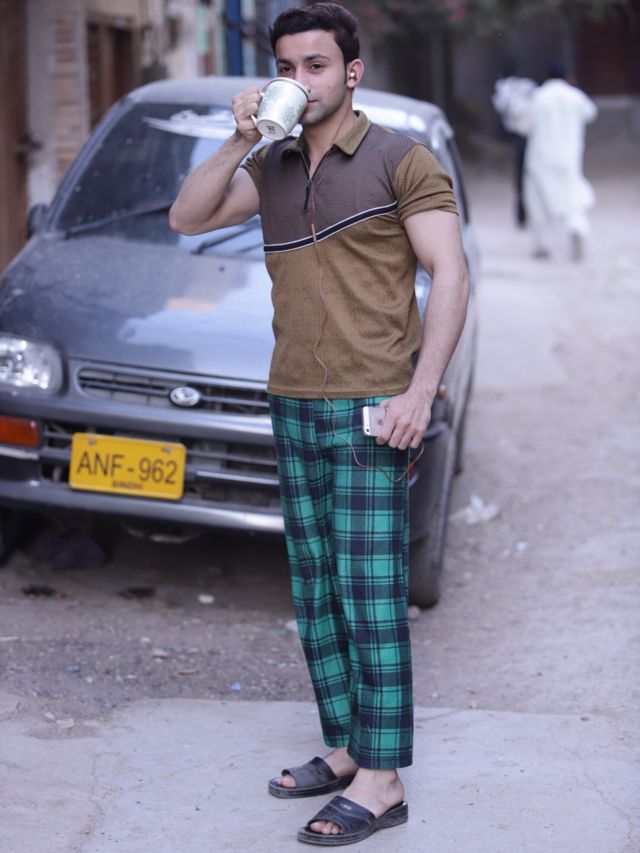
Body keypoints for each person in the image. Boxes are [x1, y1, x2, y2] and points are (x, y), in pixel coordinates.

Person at [169, 3, 469, 844]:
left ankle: (383, 779)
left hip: (376, 405)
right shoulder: (270, 165)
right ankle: (346, 746)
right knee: (318, 589)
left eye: (315, 66)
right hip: (293, 399)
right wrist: (238, 139)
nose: (300, 81)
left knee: (372, 594)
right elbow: (187, 217)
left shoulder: (400, 160)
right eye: (286, 68)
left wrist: (422, 391)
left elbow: (451, 274)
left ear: (351, 73)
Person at [512, 61, 597, 261]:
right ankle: (577, 227)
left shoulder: (538, 97)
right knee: (571, 196)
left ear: (546, 76)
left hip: (540, 157)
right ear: (567, 76)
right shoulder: (576, 96)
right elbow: (590, 113)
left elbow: (523, 126)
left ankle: (543, 243)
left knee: (537, 199)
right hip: (569, 157)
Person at [492, 74, 537, 226]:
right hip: (525, 140)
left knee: (525, 179)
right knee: (524, 179)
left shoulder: (518, 92)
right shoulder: (523, 92)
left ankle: (525, 214)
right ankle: (523, 214)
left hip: (526, 139)